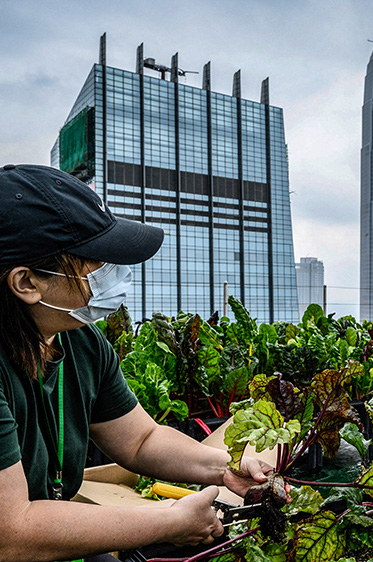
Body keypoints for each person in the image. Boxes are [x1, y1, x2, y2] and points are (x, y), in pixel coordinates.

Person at [0, 164, 276, 562]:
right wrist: (169, 521)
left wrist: (225, 467)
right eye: (95, 261)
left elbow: (139, 439)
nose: (114, 273)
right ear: (26, 283)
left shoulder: (78, 339)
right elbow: (12, 531)